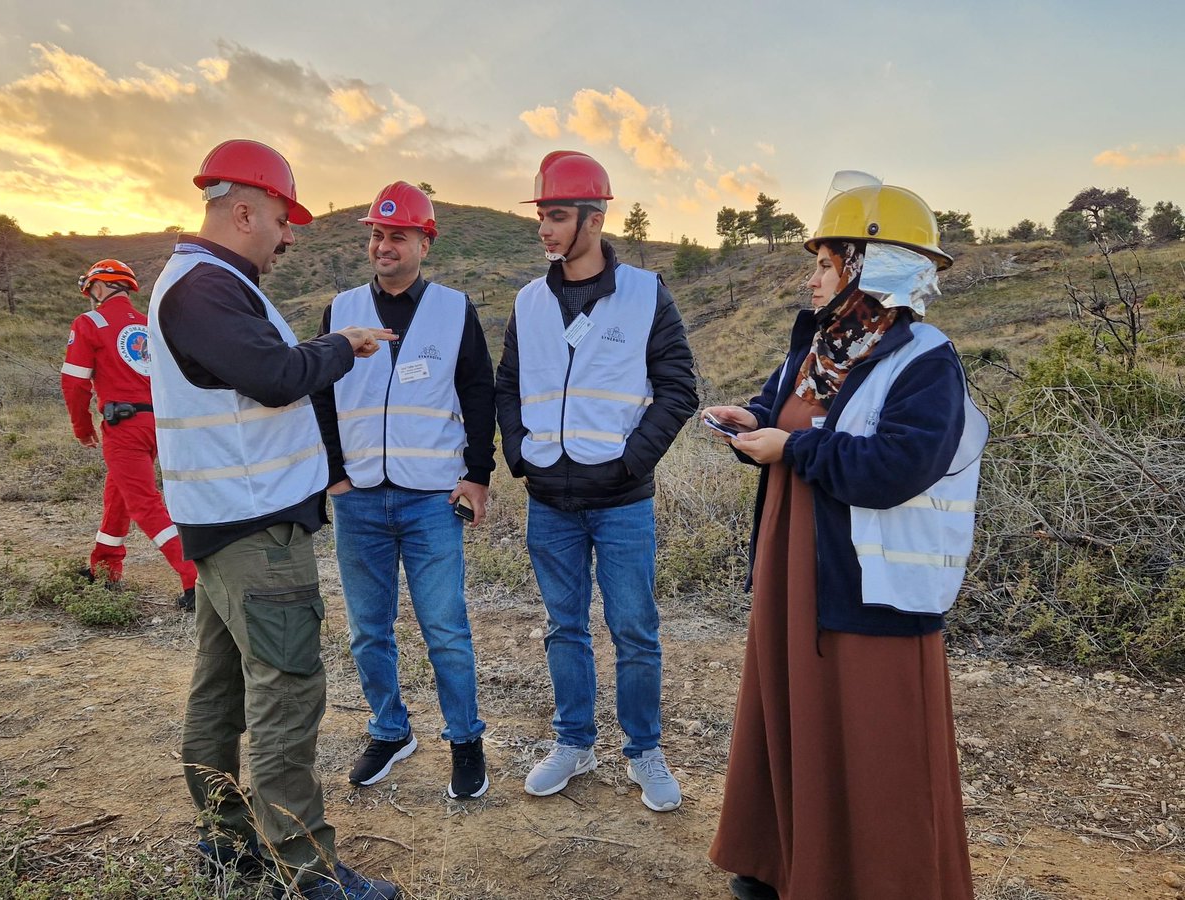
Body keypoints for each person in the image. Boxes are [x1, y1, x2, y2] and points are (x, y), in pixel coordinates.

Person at [705, 172, 988, 900]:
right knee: (791, 711)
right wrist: (750, 421)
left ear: (868, 267)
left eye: (826, 262)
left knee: (871, 739)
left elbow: (895, 467)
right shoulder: (828, 348)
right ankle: (784, 866)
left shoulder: (926, 362)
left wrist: (790, 450)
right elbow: (784, 410)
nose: (813, 276)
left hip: (868, 587)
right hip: (798, 562)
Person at [147, 139, 399, 900]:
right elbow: (277, 375)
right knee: (286, 692)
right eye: (285, 219)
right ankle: (311, 871)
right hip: (254, 531)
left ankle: (226, 847)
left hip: (226, 528)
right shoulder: (204, 289)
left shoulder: (210, 282)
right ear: (245, 209)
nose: (290, 236)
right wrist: (340, 345)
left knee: (221, 689)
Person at [495, 150, 698, 812]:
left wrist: (631, 461)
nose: (546, 230)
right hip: (549, 501)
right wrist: (519, 453)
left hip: (621, 504)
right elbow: (507, 386)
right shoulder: (528, 302)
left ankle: (644, 751)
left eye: (557, 216)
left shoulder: (645, 293)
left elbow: (677, 387)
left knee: (635, 628)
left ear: (595, 216)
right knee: (564, 626)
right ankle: (574, 743)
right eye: (542, 218)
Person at [311, 182, 495, 800]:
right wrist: (333, 471)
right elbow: (320, 396)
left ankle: (465, 741)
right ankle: (390, 732)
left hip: (431, 500)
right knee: (368, 628)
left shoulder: (452, 308)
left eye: (396, 235)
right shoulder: (340, 311)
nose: (382, 245)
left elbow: (478, 393)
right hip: (359, 497)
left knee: (444, 627)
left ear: (424, 241)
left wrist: (478, 474)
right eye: (376, 234)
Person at [60, 260, 199, 607]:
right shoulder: (147, 325)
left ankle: (194, 578)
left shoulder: (89, 323)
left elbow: (75, 384)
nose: (91, 297)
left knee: (144, 503)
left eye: (91, 289)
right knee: (119, 495)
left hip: (123, 426)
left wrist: (82, 428)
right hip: (157, 424)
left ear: (101, 287)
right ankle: (105, 567)